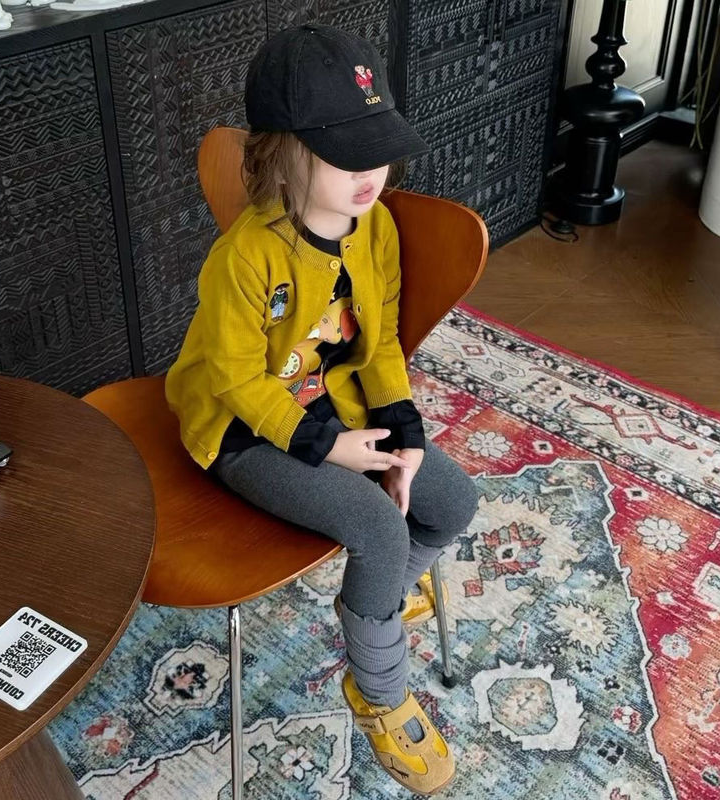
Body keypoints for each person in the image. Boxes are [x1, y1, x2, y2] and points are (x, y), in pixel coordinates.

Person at [165, 22, 478, 796]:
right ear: (284, 153)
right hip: (243, 429)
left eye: (380, 148)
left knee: (452, 501)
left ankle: (377, 607)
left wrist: (405, 434)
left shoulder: (377, 228)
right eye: (347, 153)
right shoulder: (245, 256)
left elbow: (381, 345)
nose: (372, 172)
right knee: (378, 526)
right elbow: (237, 382)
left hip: (332, 404)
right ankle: (379, 693)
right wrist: (328, 447)